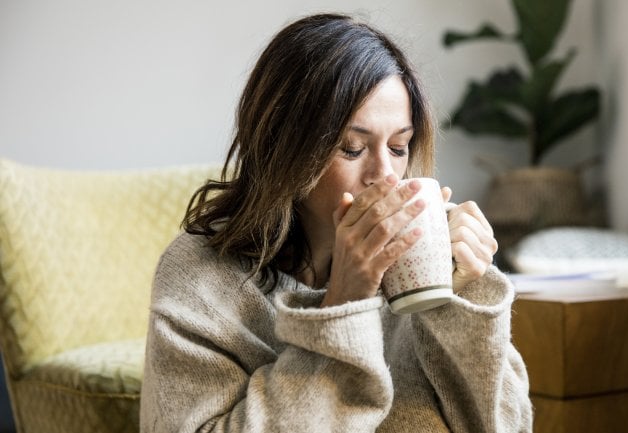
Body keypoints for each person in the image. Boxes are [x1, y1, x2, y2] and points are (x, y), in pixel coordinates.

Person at [140, 13, 532, 433]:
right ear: (283, 148)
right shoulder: (200, 277)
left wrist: (462, 298)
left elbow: (505, 426)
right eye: (351, 147)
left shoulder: (423, 259)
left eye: (399, 146)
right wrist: (344, 305)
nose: (385, 175)